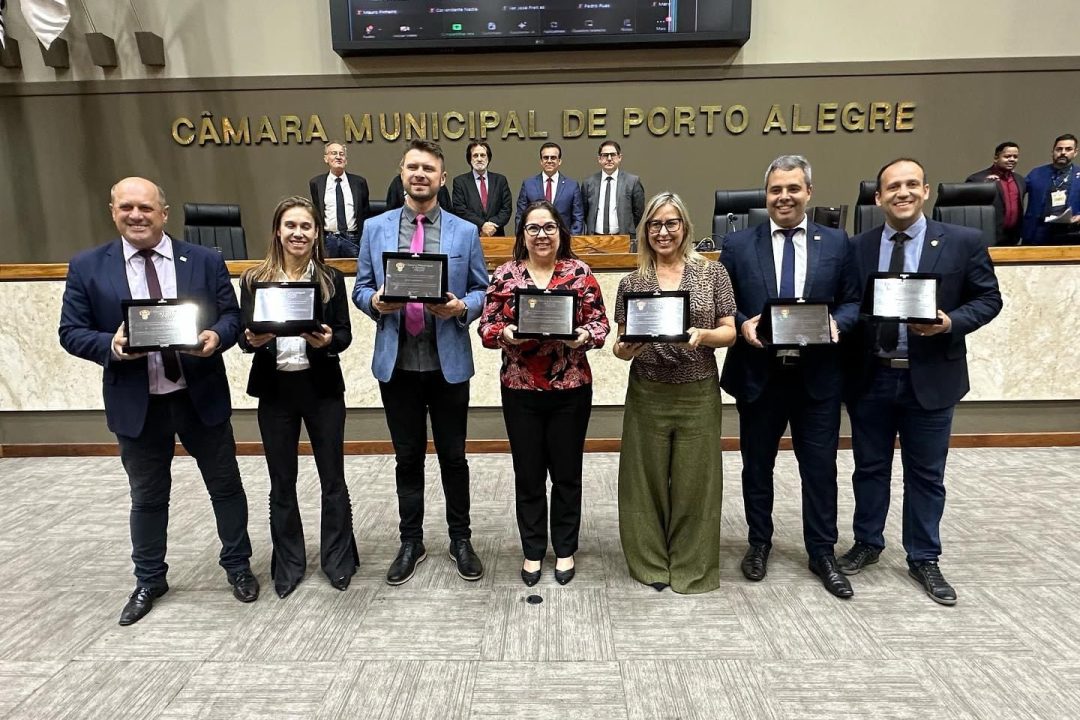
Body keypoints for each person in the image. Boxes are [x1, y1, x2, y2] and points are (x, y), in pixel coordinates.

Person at [58, 177, 258, 626]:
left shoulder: (204, 260)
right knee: (147, 497)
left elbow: (231, 316)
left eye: (146, 208)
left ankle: (239, 566)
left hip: (198, 395)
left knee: (225, 487)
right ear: (113, 211)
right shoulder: (89, 266)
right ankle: (149, 578)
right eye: (126, 207)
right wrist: (110, 344)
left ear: (163, 213)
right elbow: (70, 331)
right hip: (137, 402)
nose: (136, 215)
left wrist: (216, 338)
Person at [838, 158, 1002, 605]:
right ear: (878, 197)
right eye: (893, 186)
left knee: (926, 474)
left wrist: (951, 322)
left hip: (931, 378)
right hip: (871, 377)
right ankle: (868, 542)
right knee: (869, 469)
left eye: (912, 184)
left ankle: (923, 555)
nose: (902, 193)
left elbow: (989, 299)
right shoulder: (857, 247)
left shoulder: (962, 241)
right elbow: (849, 303)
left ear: (926, 191)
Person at [719, 155, 860, 599]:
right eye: (776, 189)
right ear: (766, 195)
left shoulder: (838, 244)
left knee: (819, 468)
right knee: (756, 466)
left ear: (808, 193)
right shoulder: (739, 245)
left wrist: (840, 323)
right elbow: (726, 302)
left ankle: (822, 551)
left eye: (793, 189)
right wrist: (742, 323)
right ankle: (759, 542)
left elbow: (854, 300)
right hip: (759, 374)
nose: (784, 197)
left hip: (817, 377)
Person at [355, 139, 489, 586]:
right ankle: (410, 540)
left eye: (428, 169)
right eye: (413, 167)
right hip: (397, 365)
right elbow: (360, 287)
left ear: (442, 177)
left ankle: (460, 538)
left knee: (454, 457)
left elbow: (482, 290)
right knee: (407, 457)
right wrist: (374, 301)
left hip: (447, 363)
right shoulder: (374, 229)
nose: (420, 175)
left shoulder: (464, 232)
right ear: (402, 172)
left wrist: (461, 309)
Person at [478, 200, 609, 586]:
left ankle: (565, 549)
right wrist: (503, 333)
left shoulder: (580, 273)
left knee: (567, 475)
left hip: (570, 389)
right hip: (520, 390)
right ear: (522, 234)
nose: (541, 235)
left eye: (549, 227)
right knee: (529, 475)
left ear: (560, 232)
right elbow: (486, 326)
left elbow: (600, 323)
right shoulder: (505, 275)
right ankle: (534, 550)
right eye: (533, 228)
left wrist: (585, 335)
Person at [612, 192, 736, 594]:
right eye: (654, 225)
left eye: (671, 223)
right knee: (641, 480)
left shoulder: (711, 273)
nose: (663, 232)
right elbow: (619, 344)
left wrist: (702, 337)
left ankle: (691, 567)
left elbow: (730, 332)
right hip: (648, 390)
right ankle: (649, 563)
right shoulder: (633, 282)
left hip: (698, 390)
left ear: (684, 227)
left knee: (696, 483)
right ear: (645, 231)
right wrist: (625, 349)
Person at [239, 196, 360, 599]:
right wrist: (251, 339)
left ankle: (338, 560)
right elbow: (245, 336)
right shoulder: (255, 279)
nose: (298, 233)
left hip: (321, 389)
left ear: (316, 234)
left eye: (306, 227)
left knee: (333, 480)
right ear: (278, 230)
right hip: (276, 392)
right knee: (281, 482)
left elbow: (342, 334)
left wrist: (327, 341)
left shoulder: (328, 277)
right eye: (290, 225)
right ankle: (288, 563)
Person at [308, 142, 370, 258]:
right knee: (328, 274)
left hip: (353, 239)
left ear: (346, 160)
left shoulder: (359, 183)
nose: (338, 157)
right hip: (328, 240)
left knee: (356, 273)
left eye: (341, 154)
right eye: (333, 153)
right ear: (326, 158)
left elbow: (365, 213)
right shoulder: (316, 183)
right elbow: (316, 213)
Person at [581, 140, 646, 246]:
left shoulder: (632, 181)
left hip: (622, 238)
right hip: (594, 239)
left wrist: (627, 227)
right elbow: (584, 212)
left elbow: (638, 211)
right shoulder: (589, 183)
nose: (609, 159)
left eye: (613, 155)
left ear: (620, 157)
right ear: (599, 159)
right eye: (605, 155)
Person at [1022, 133, 1080, 245]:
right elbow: (1016, 189)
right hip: (1037, 231)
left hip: (1071, 231)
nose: (1063, 152)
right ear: (1052, 151)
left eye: (1068, 149)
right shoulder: (1037, 173)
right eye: (1059, 149)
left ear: (1075, 152)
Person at [516, 142, 584, 234]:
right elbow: (521, 216)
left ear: (559, 161)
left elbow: (578, 217)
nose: (549, 161)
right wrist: (522, 238)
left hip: (563, 240)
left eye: (553, 157)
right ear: (541, 161)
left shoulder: (572, 186)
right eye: (545, 157)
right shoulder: (528, 184)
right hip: (536, 239)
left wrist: (571, 240)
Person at [965, 141, 1025, 245]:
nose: (1012, 159)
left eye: (1015, 157)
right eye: (1007, 156)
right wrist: (984, 186)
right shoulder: (977, 179)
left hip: (1012, 238)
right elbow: (968, 209)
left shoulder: (1020, 180)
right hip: (987, 235)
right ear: (996, 158)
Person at [451, 140, 514, 237]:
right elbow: (460, 209)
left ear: (488, 158)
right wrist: (482, 225)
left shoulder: (500, 180)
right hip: (470, 236)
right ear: (469, 159)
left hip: (496, 235)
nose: (479, 159)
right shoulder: (460, 182)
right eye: (475, 155)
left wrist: (491, 226)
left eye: (483, 155)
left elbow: (506, 208)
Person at [386, 173, 452, 211]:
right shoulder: (397, 182)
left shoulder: (436, 183)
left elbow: (446, 208)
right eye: (413, 167)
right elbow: (391, 207)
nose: (419, 173)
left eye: (427, 168)